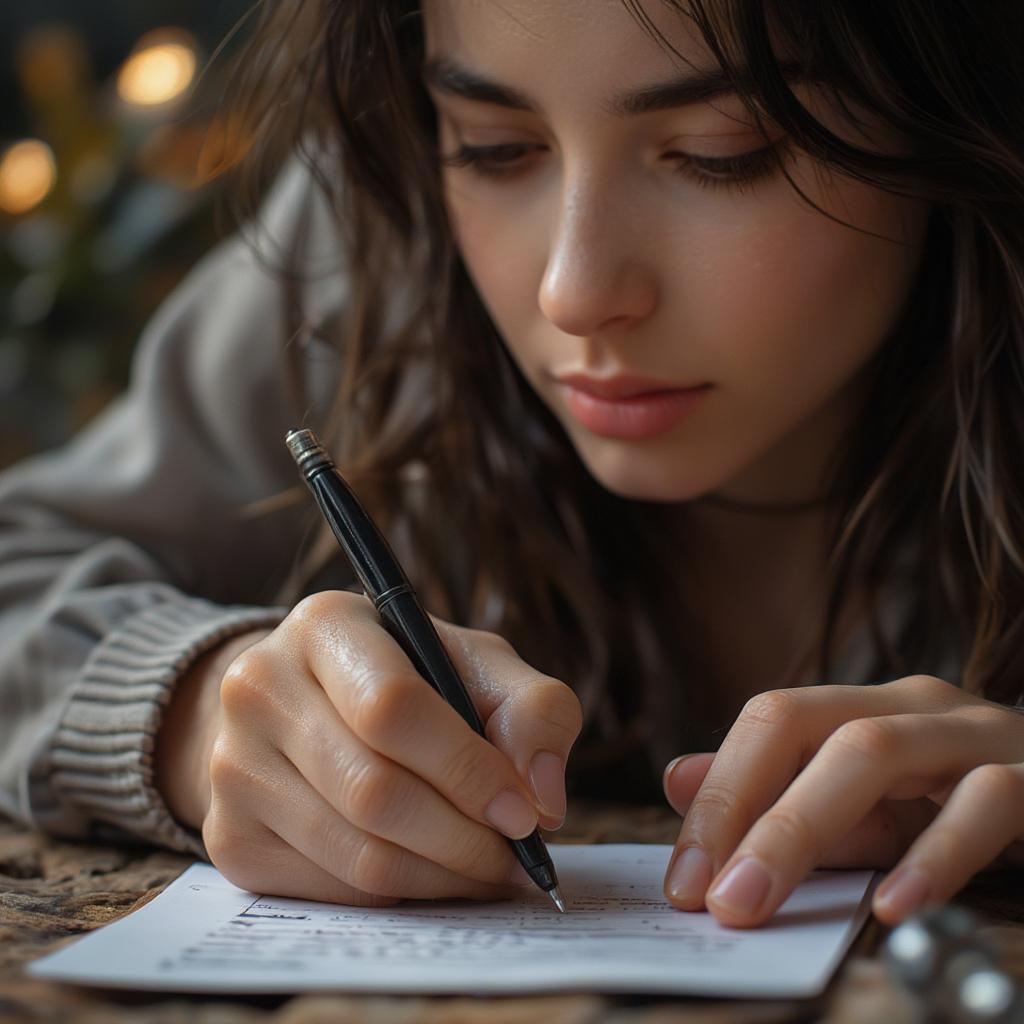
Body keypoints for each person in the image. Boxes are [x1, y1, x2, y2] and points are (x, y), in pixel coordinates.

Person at [2, 0, 1023, 932]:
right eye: (495, 149)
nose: (574, 292)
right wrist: (193, 711)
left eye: (724, 152)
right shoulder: (376, 239)